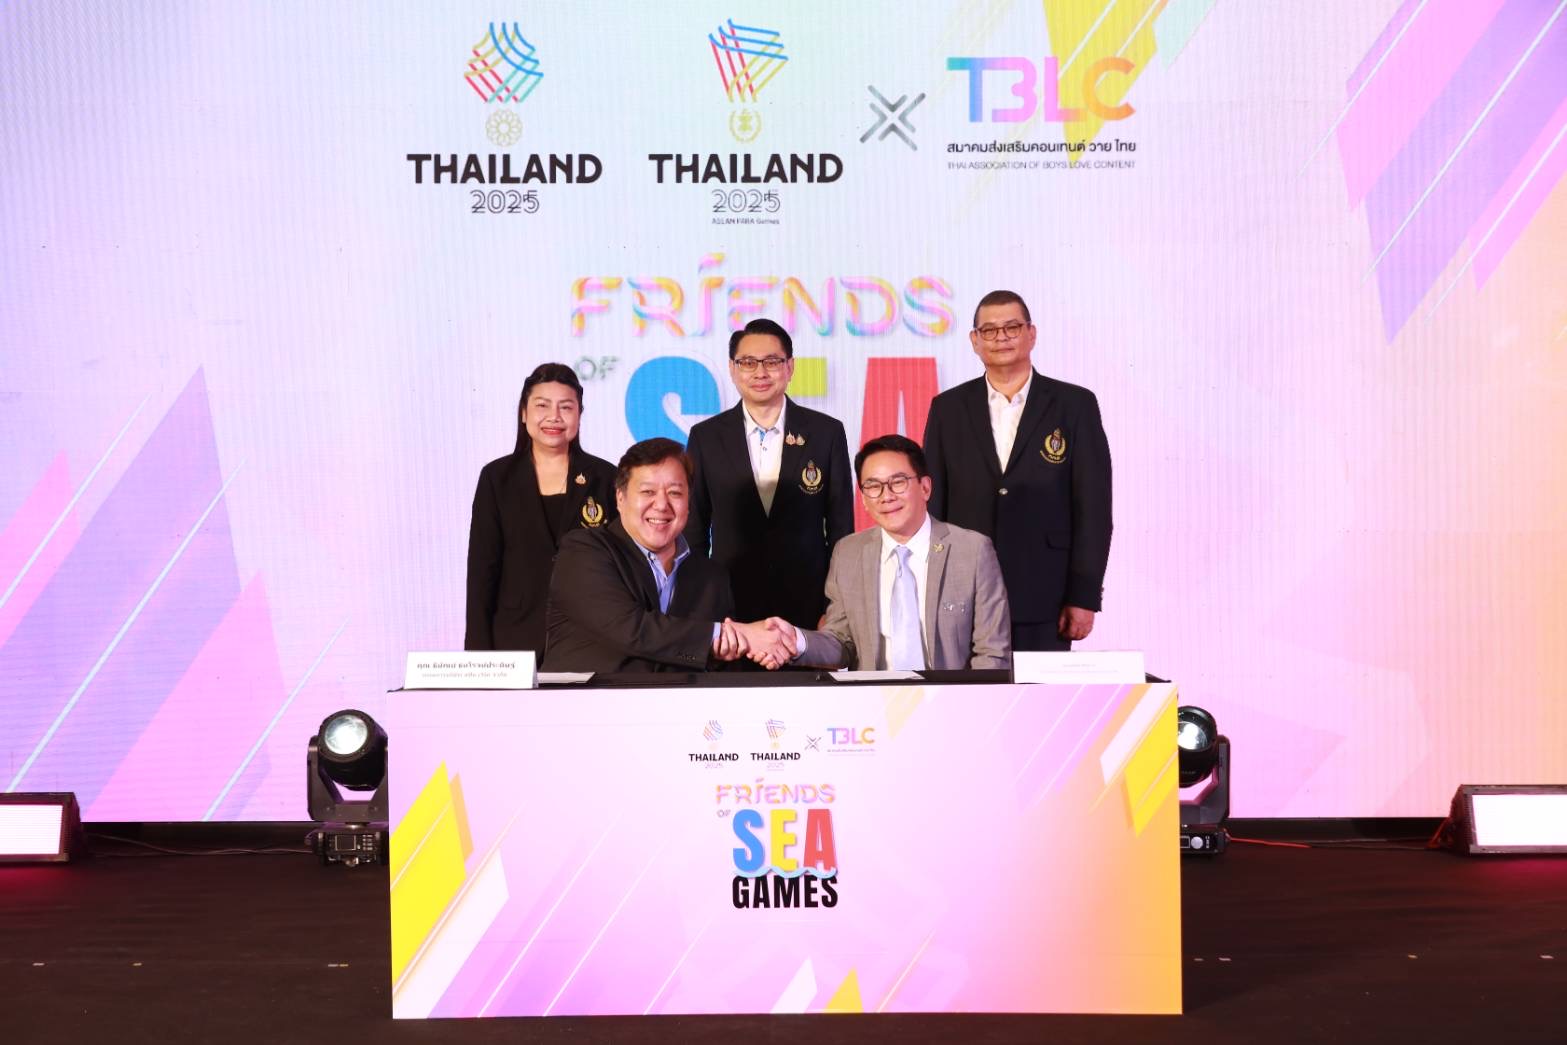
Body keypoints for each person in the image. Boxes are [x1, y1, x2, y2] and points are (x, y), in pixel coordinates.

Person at [923, 290, 1112, 652]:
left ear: (1031, 334)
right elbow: (933, 505)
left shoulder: (1074, 405)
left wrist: (1084, 595)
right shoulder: (948, 408)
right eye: (990, 330)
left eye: (1012, 327)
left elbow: (1093, 509)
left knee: (1038, 690)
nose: (1002, 337)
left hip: (1047, 595)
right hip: (963, 594)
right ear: (975, 340)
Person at [756, 434, 1011, 672]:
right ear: (864, 500)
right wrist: (798, 641)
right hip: (874, 701)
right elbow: (841, 642)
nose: (886, 496)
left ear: (925, 487)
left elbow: (992, 652)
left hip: (952, 700)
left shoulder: (972, 551)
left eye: (898, 482)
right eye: (873, 486)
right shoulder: (848, 553)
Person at [543, 438, 793, 672]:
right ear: (620, 498)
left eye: (675, 493)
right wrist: (739, 635)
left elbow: (718, 668)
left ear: (689, 502)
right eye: (648, 492)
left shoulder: (711, 577)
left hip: (681, 705)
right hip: (586, 703)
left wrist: (734, 647)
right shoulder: (583, 551)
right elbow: (631, 630)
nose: (662, 505)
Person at [684, 318, 854, 628]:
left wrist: (834, 606)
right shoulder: (706, 437)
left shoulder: (826, 432)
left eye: (772, 362)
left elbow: (841, 528)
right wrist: (700, 603)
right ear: (733, 369)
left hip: (809, 604)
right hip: (730, 606)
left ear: (790, 367)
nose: (760, 372)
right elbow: (694, 528)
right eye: (748, 362)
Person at [465, 363, 619, 652]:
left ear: (579, 414)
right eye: (542, 405)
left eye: (566, 407)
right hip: (514, 641)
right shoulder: (497, 478)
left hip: (591, 642)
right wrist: (477, 655)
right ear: (524, 413)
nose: (554, 417)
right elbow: (482, 573)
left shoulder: (605, 477)